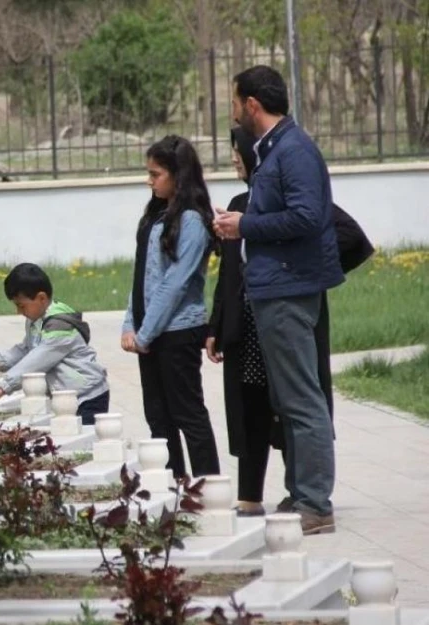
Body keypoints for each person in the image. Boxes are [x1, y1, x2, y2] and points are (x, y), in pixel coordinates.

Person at [213, 65, 345, 535]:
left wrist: (242, 226)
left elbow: (309, 217)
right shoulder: (274, 151)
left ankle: (315, 503)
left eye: (234, 103)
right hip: (273, 290)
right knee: (287, 398)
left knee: (302, 399)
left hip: (289, 290)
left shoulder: (294, 150)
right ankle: (300, 493)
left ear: (252, 104)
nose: (232, 112)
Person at [122, 135, 220, 479]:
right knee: (158, 416)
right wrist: (129, 324)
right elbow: (143, 276)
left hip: (178, 332)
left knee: (187, 413)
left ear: (178, 175)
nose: (149, 181)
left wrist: (145, 333)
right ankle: (173, 485)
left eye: (156, 174)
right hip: (151, 332)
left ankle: (208, 488)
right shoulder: (155, 215)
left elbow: (175, 284)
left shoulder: (192, 221)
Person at [206, 126, 285, 516]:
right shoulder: (239, 201)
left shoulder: (280, 202)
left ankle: (301, 492)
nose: (234, 159)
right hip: (245, 328)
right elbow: (228, 275)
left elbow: (346, 237)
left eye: (238, 151)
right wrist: (216, 326)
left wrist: (308, 282)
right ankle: (250, 496)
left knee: (285, 407)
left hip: (279, 322)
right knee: (248, 408)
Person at [0, 263, 110, 424]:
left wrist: (2, 389)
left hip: (88, 395)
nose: (18, 311)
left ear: (41, 298)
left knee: (86, 442)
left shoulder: (59, 327)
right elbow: (27, 349)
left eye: (21, 305)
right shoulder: (36, 320)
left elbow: (36, 360)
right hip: (67, 396)